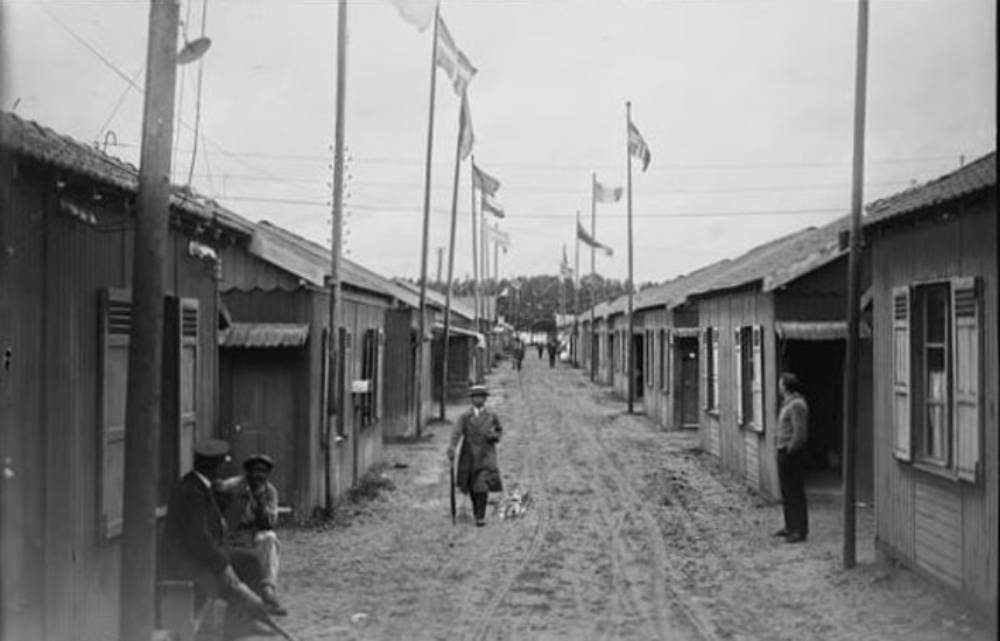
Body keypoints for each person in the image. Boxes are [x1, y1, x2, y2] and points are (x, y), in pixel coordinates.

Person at [160, 440, 274, 624]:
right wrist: (222, 564)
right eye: (222, 465)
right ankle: (238, 626)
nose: (223, 469)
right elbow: (199, 537)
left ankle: (244, 622)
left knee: (250, 561)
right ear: (215, 467)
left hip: (198, 553)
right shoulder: (192, 492)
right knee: (243, 567)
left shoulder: (200, 485)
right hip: (186, 561)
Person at [216, 453, 286, 616]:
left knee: (269, 539)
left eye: (264, 472)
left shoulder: (270, 492)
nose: (259, 475)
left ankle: (268, 590)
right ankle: (252, 599)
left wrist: (261, 501)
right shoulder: (232, 486)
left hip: (253, 531)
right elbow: (216, 503)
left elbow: (269, 523)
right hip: (232, 531)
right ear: (247, 472)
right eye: (256, 471)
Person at [447, 385, 503, 527]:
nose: (478, 399)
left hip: (486, 454)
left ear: (485, 399)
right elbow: (457, 433)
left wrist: (494, 436)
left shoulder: (491, 416)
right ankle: (476, 510)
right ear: (471, 400)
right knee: (471, 485)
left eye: (481, 396)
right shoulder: (465, 417)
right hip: (469, 454)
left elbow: (499, 431)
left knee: (482, 485)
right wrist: (452, 447)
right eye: (475, 397)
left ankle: (480, 515)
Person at [774, 372, 809, 543]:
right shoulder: (787, 404)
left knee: (795, 492)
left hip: (792, 454)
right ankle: (790, 526)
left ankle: (800, 530)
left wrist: (789, 450)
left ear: (786, 386)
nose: (778, 387)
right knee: (787, 492)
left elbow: (800, 434)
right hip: (783, 452)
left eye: (780, 384)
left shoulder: (797, 405)